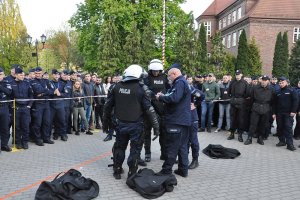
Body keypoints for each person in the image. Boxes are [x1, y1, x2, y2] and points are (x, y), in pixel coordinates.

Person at [103, 64, 160, 180]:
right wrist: (156, 127)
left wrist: (105, 123)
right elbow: (149, 109)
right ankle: (131, 173)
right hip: (136, 125)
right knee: (135, 150)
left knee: (119, 147)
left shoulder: (116, 86)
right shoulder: (141, 88)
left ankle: (117, 170)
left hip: (120, 124)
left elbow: (107, 106)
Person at [155, 64, 191, 177]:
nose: (168, 78)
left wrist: (160, 98)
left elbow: (175, 98)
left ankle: (166, 170)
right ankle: (183, 169)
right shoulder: (181, 83)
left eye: (169, 76)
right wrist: (165, 95)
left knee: (172, 146)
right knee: (182, 146)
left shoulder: (180, 82)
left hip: (176, 120)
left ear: (174, 74)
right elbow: (174, 95)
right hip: (183, 120)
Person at [143, 59, 169, 162]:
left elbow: (169, 89)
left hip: (162, 108)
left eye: (157, 70)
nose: (155, 72)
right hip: (149, 108)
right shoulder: (146, 78)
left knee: (163, 133)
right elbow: (144, 90)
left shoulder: (164, 77)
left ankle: (164, 153)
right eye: (153, 70)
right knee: (147, 133)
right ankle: (147, 153)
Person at [244, 75, 274, 145]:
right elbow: (251, 98)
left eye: (265, 80)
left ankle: (260, 138)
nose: (263, 82)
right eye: (262, 80)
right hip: (256, 107)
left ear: (268, 81)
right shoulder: (255, 87)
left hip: (266, 108)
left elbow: (273, 100)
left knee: (263, 124)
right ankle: (249, 138)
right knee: (253, 124)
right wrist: (252, 107)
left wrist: (270, 109)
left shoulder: (271, 89)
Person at [30, 67, 55, 146]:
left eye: (39, 73)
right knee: (37, 123)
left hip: (46, 103)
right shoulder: (32, 82)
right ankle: (37, 139)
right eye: (36, 73)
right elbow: (37, 91)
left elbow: (53, 90)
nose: (37, 75)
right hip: (38, 104)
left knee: (47, 122)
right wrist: (46, 91)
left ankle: (46, 138)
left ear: (42, 73)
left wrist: (43, 93)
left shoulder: (46, 81)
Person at [273, 77, 298, 151]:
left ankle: (290, 144)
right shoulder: (278, 92)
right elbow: (274, 104)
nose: (281, 84)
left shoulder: (292, 90)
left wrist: (293, 111)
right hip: (279, 113)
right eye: (280, 83)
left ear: (286, 82)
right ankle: (282, 141)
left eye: (282, 82)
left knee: (288, 129)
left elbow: (295, 101)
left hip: (288, 113)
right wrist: (274, 113)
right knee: (280, 127)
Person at [10, 68, 33, 149]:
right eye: (21, 75)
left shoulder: (27, 83)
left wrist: (29, 105)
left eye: (23, 75)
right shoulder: (11, 83)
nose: (23, 76)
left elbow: (31, 96)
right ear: (16, 75)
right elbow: (10, 97)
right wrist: (12, 106)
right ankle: (18, 142)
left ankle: (25, 142)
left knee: (26, 126)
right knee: (17, 127)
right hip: (16, 109)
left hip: (26, 108)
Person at [227, 70, 250, 142]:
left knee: (240, 120)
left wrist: (241, 99)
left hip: (241, 103)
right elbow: (229, 91)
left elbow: (247, 93)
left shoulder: (245, 83)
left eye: (238, 74)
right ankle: (232, 134)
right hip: (233, 102)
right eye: (236, 75)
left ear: (241, 75)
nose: (237, 76)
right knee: (232, 119)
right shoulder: (232, 82)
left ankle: (240, 135)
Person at [48, 69, 68, 141]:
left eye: (58, 75)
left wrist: (60, 94)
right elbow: (46, 92)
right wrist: (53, 92)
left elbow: (66, 93)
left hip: (60, 105)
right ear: (52, 75)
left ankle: (63, 134)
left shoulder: (62, 83)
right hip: (51, 105)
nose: (56, 76)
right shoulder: (49, 83)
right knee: (51, 121)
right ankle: (55, 134)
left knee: (62, 120)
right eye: (55, 74)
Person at [0, 67, 12, 152]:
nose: (0, 76)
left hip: (4, 107)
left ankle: (4, 144)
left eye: (1, 74)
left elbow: (9, 92)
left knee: (5, 127)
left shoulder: (6, 82)